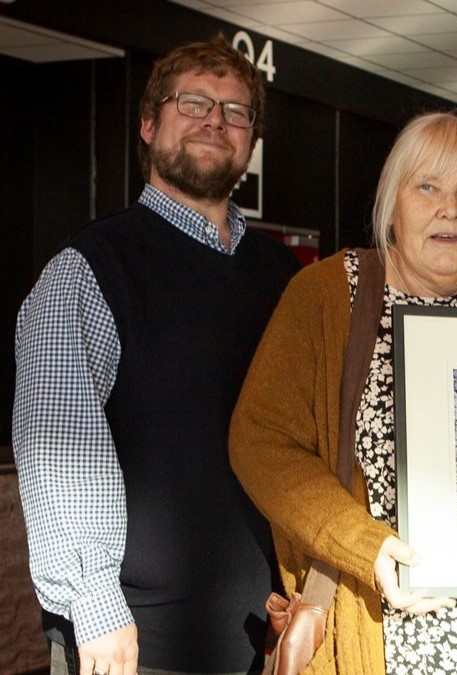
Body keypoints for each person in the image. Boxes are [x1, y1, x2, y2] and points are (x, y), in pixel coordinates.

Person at [228, 111, 457, 675]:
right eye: (428, 187)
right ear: (392, 203)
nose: (451, 208)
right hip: (376, 631)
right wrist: (361, 544)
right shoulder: (323, 295)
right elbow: (260, 442)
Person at [12, 35, 299, 675]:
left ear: (251, 143)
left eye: (235, 111)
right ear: (148, 124)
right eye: (193, 103)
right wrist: (94, 607)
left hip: (267, 638)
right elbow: (59, 444)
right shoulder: (90, 269)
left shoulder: (283, 275)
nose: (215, 121)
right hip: (133, 645)